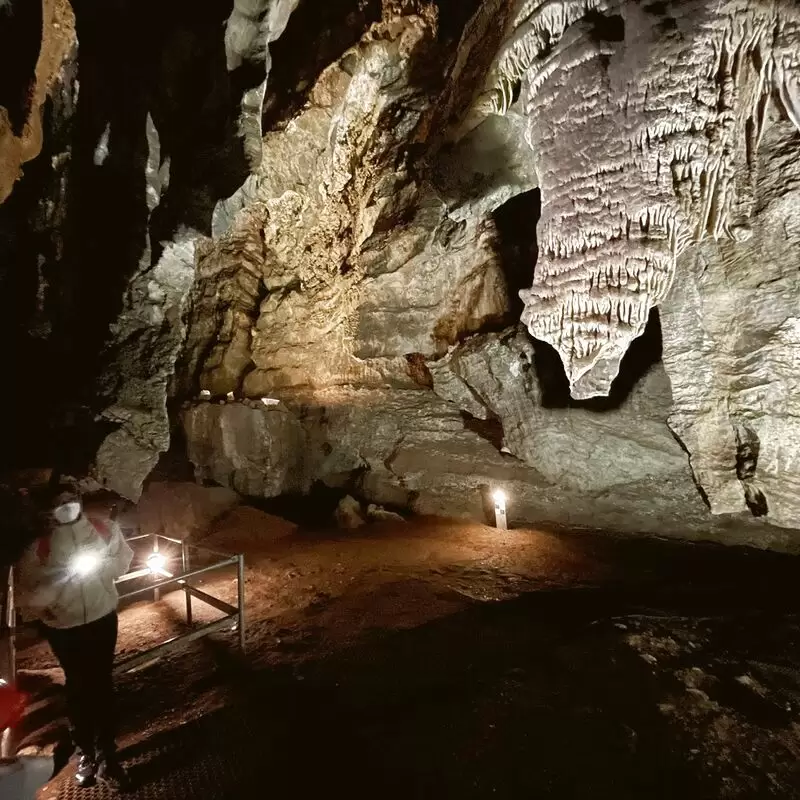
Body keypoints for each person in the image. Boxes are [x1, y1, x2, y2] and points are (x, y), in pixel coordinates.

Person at [15, 482, 133, 789]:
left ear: (79, 501)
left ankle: (109, 753)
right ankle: (85, 751)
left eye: (71, 499)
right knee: (78, 686)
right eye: (60, 502)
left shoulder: (102, 528)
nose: (67, 505)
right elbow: (27, 591)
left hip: (101, 618)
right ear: (50, 508)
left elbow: (123, 557)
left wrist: (104, 569)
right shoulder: (40, 546)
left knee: (103, 683)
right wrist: (54, 596)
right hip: (64, 627)